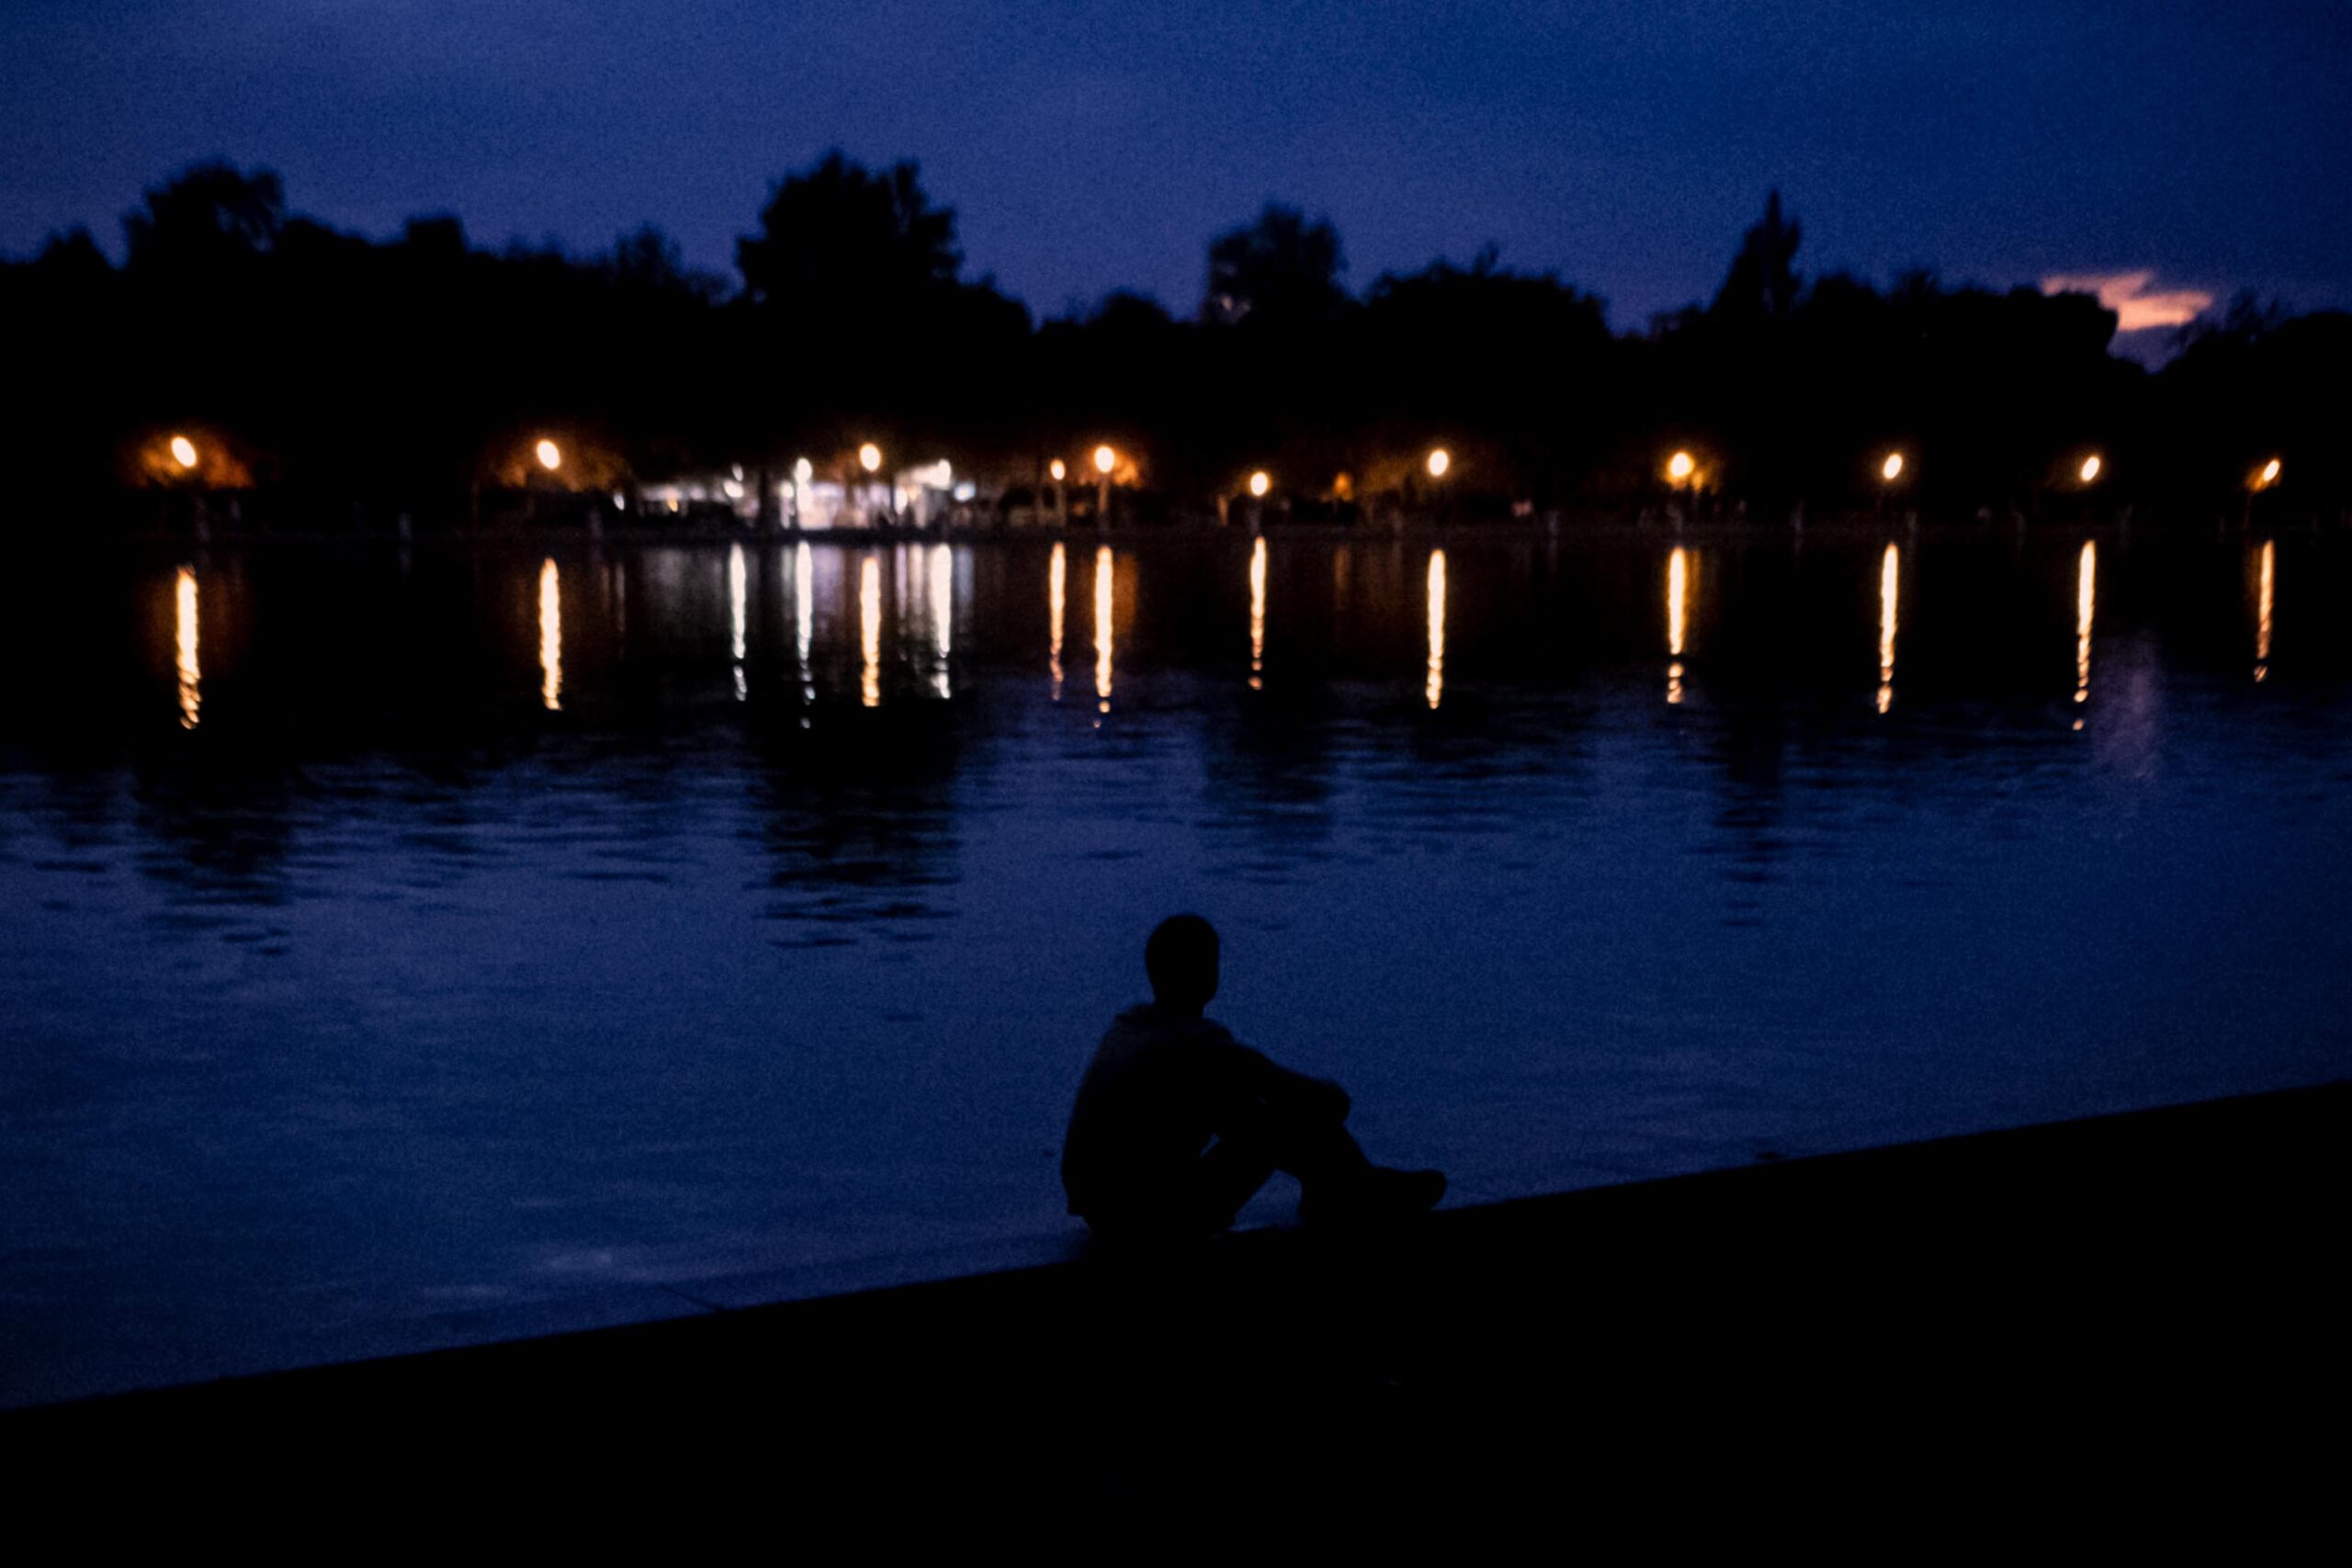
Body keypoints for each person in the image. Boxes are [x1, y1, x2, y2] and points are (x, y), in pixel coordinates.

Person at [1062, 915, 1446, 1242]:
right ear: (1210, 975)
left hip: (1102, 1213)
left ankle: (1344, 1187)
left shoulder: (1129, 1028)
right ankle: (1355, 1190)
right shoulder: (1203, 1048)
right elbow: (1330, 1103)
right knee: (1279, 1118)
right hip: (1150, 1220)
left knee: (1239, 1109)